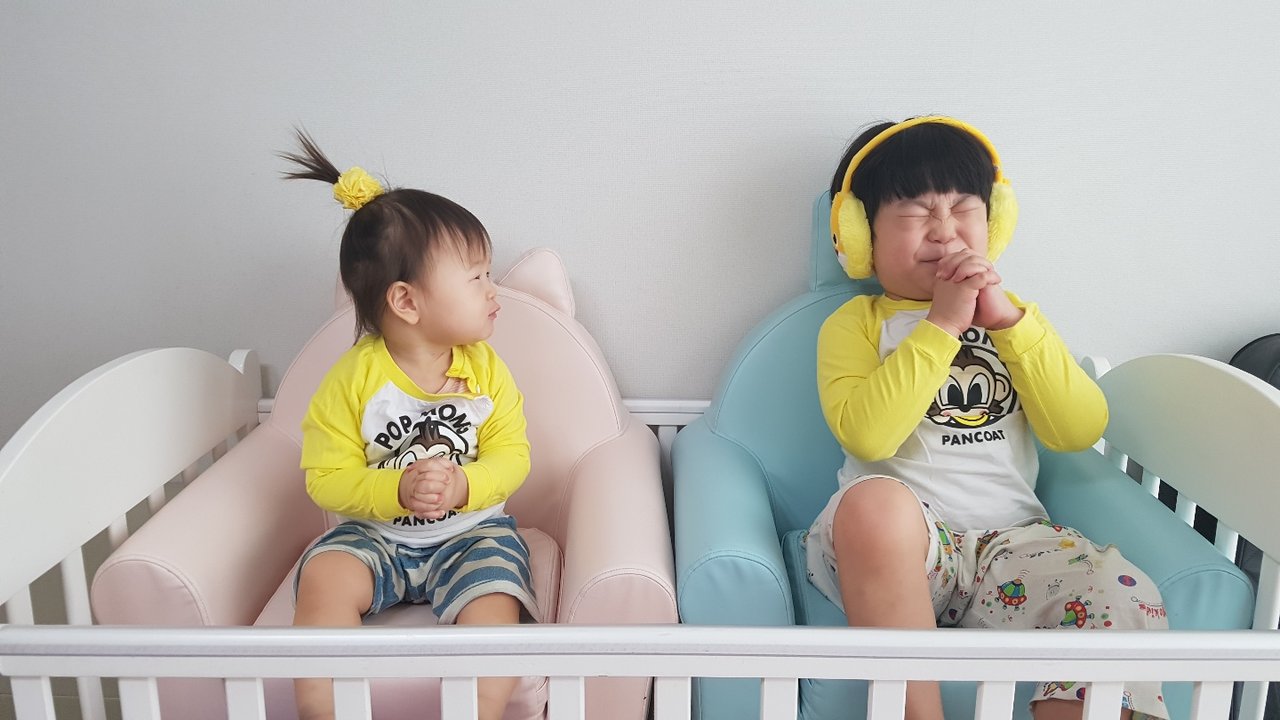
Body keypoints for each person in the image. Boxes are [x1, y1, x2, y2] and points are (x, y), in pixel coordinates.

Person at [808, 116, 1167, 720]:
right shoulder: (856, 325)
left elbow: (1078, 430)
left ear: (994, 222)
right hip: (901, 554)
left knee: (1121, 589)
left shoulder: (1016, 320)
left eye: (962, 208)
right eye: (915, 212)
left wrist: (1008, 325)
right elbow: (868, 435)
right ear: (861, 235)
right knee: (873, 504)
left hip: (1013, 548)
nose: (944, 231)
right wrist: (943, 323)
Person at [281, 131, 537, 720]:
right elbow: (326, 478)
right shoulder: (352, 382)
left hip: (472, 531)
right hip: (376, 535)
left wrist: (465, 484)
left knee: (497, 599)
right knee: (325, 574)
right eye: (475, 277)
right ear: (406, 302)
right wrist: (395, 489)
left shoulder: (485, 371)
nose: (493, 290)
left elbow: (514, 454)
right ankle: (325, 709)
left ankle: (477, 709)